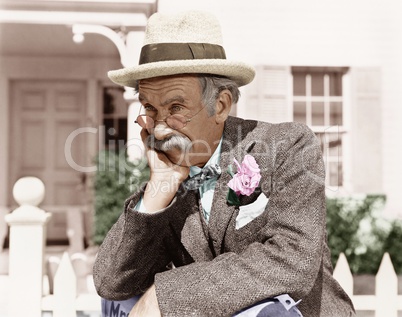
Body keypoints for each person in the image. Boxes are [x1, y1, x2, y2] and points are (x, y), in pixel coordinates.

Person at [93, 10, 355, 317]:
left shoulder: (286, 146)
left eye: (176, 107)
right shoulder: (169, 172)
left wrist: (166, 295)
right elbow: (112, 283)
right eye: (150, 108)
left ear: (220, 105)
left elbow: (290, 260)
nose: (160, 128)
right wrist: (157, 192)